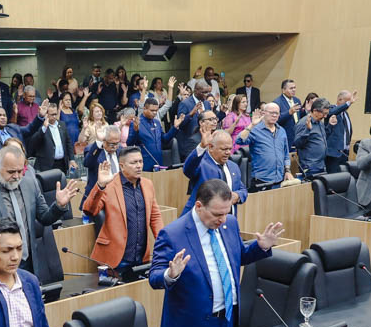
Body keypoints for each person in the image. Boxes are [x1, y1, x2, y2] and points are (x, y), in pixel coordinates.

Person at [149, 179, 285, 327]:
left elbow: (238, 257)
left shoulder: (230, 222)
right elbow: (154, 277)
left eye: (226, 213)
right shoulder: (172, 234)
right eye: (217, 214)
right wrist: (170, 274)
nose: (222, 219)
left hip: (229, 321)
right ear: (199, 206)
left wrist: (261, 247)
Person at [0, 145, 75, 282]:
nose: (16, 176)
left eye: (20, 171)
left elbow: (45, 218)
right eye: (11, 172)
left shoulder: (30, 183)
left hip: (28, 263)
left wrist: (59, 206)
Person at [83, 146, 164, 282]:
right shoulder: (109, 185)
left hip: (141, 257)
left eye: (140, 161)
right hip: (115, 259)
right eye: (133, 163)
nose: (139, 166)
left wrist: (163, 241)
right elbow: (90, 210)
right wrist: (100, 186)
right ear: (122, 166)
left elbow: (155, 217)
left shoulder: (147, 184)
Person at [183, 117, 248, 209]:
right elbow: (188, 169)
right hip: (203, 218)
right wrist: (201, 146)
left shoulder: (233, 166)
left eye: (229, 149)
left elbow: (243, 189)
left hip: (226, 219)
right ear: (211, 147)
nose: (228, 152)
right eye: (224, 149)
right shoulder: (201, 164)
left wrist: (238, 196)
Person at [247, 101, 297, 191]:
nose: (274, 115)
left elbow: (285, 154)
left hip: (279, 179)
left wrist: (287, 171)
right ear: (264, 113)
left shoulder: (282, 131)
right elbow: (239, 141)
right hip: (261, 180)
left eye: (277, 113)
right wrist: (252, 125)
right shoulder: (256, 130)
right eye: (271, 113)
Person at [23, 100, 71, 174]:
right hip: (46, 166)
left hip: (62, 164)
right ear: (46, 114)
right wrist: (43, 129)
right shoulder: (40, 126)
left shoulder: (62, 125)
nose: (54, 117)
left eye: (55, 114)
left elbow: (68, 142)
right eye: (52, 114)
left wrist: (72, 159)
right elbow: (33, 143)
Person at [131, 96, 175, 171]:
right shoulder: (136, 123)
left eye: (156, 110)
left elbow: (164, 139)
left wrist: (175, 128)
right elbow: (130, 143)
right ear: (144, 109)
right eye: (152, 110)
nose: (154, 113)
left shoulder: (157, 122)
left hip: (159, 162)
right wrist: (135, 131)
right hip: (144, 164)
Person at [322, 89, 359, 175]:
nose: (349, 104)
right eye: (347, 101)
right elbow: (332, 112)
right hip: (334, 153)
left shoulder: (345, 113)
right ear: (339, 100)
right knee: (334, 178)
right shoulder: (331, 109)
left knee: (343, 177)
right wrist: (348, 103)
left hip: (344, 153)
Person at [294, 97, 330, 179]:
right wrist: (307, 130)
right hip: (310, 167)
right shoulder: (303, 123)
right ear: (315, 111)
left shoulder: (319, 122)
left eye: (327, 113)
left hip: (321, 164)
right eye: (324, 113)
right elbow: (297, 144)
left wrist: (330, 126)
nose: (325, 116)